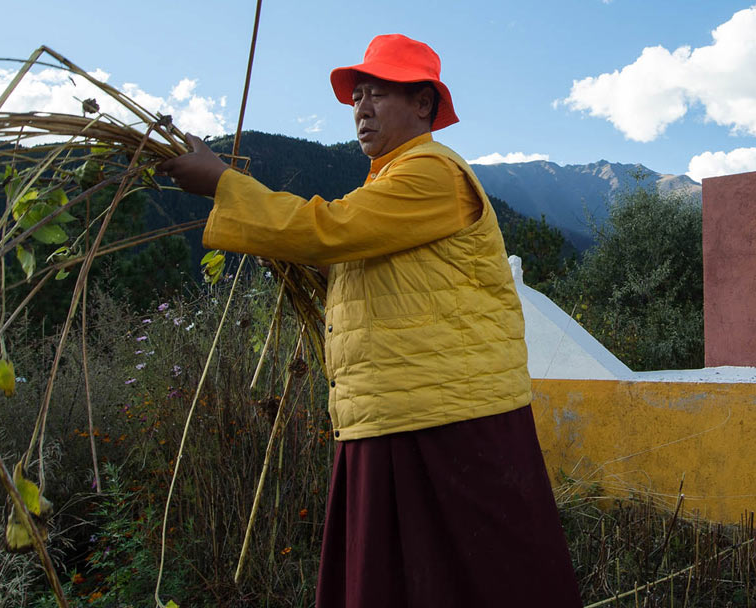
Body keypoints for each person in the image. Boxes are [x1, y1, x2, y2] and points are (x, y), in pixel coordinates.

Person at [159, 33, 581, 608]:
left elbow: (324, 231)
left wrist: (222, 185)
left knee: (479, 580)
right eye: (357, 97)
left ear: (424, 106)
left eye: (377, 93)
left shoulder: (430, 173)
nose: (361, 109)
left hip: (448, 418)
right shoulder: (385, 183)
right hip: (395, 413)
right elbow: (347, 251)